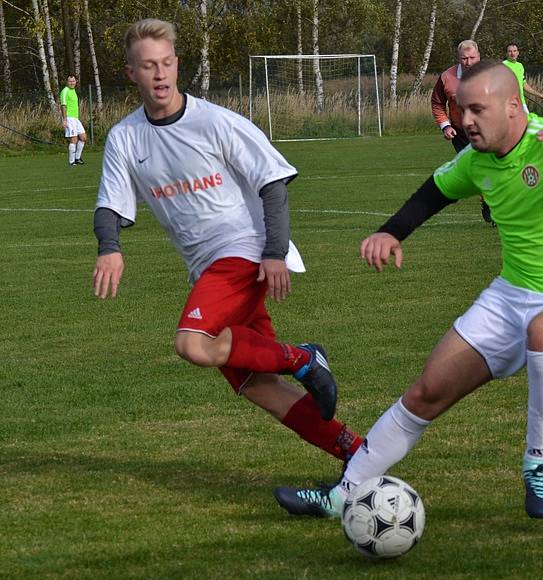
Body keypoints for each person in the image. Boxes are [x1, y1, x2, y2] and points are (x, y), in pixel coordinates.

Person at [274, 60, 543, 520]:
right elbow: (433, 192)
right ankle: (343, 495)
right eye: (461, 111)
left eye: (477, 110)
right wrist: (392, 232)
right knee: (427, 392)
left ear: (513, 106)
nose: (466, 121)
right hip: (509, 296)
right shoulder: (476, 160)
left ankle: (537, 463)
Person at [92, 18, 363, 467]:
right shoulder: (125, 137)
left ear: (177, 65)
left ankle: (304, 357)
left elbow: (273, 182)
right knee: (258, 385)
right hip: (208, 268)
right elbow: (109, 204)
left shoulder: (215, 122)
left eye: (166, 64)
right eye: (148, 66)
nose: (159, 74)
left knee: (192, 344)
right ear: (131, 74)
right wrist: (109, 246)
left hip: (243, 250)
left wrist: (274, 253)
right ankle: (359, 455)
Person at [431, 39, 494, 225]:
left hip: (488, 130)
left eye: (472, 58)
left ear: (479, 56)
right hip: (460, 133)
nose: (468, 62)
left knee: (491, 166)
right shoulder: (446, 78)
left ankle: (494, 204)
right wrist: (445, 125)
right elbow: (437, 103)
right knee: (477, 169)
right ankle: (488, 202)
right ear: (458, 58)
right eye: (464, 58)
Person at [503, 42, 543, 113]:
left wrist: (538, 94)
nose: (512, 53)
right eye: (510, 51)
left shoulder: (520, 66)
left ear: (518, 53)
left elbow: (524, 84)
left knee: (527, 123)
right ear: (506, 54)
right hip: (508, 104)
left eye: (514, 51)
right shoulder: (502, 66)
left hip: (521, 102)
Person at [60, 75, 87, 166]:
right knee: (74, 139)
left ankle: (77, 158)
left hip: (76, 118)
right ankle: (71, 162)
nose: (72, 83)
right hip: (69, 118)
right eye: (70, 81)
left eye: (73, 81)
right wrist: (64, 120)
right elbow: (63, 105)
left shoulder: (73, 91)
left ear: (76, 82)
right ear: (67, 82)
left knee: (83, 137)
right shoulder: (65, 91)